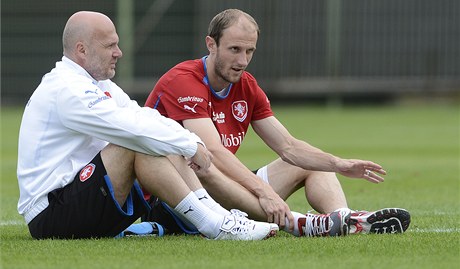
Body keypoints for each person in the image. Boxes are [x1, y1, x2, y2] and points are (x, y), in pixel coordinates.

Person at [143, 8, 411, 237]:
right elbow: (213, 152)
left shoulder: (246, 86)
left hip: (225, 194)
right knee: (202, 162)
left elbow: (289, 147)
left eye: (249, 51)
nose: (242, 61)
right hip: (176, 199)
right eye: (234, 49)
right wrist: (265, 192)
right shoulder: (182, 79)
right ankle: (299, 224)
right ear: (211, 44)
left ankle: (345, 220)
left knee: (310, 160)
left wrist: (338, 164)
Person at [16, 11, 279, 240]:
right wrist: (189, 144)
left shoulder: (98, 84)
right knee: (137, 141)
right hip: (51, 214)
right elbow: (131, 128)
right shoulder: (67, 88)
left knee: (158, 137)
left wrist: (187, 141)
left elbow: (141, 115)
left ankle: (219, 218)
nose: (118, 52)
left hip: (78, 201)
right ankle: (216, 224)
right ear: (82, 50)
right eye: (110, 46)